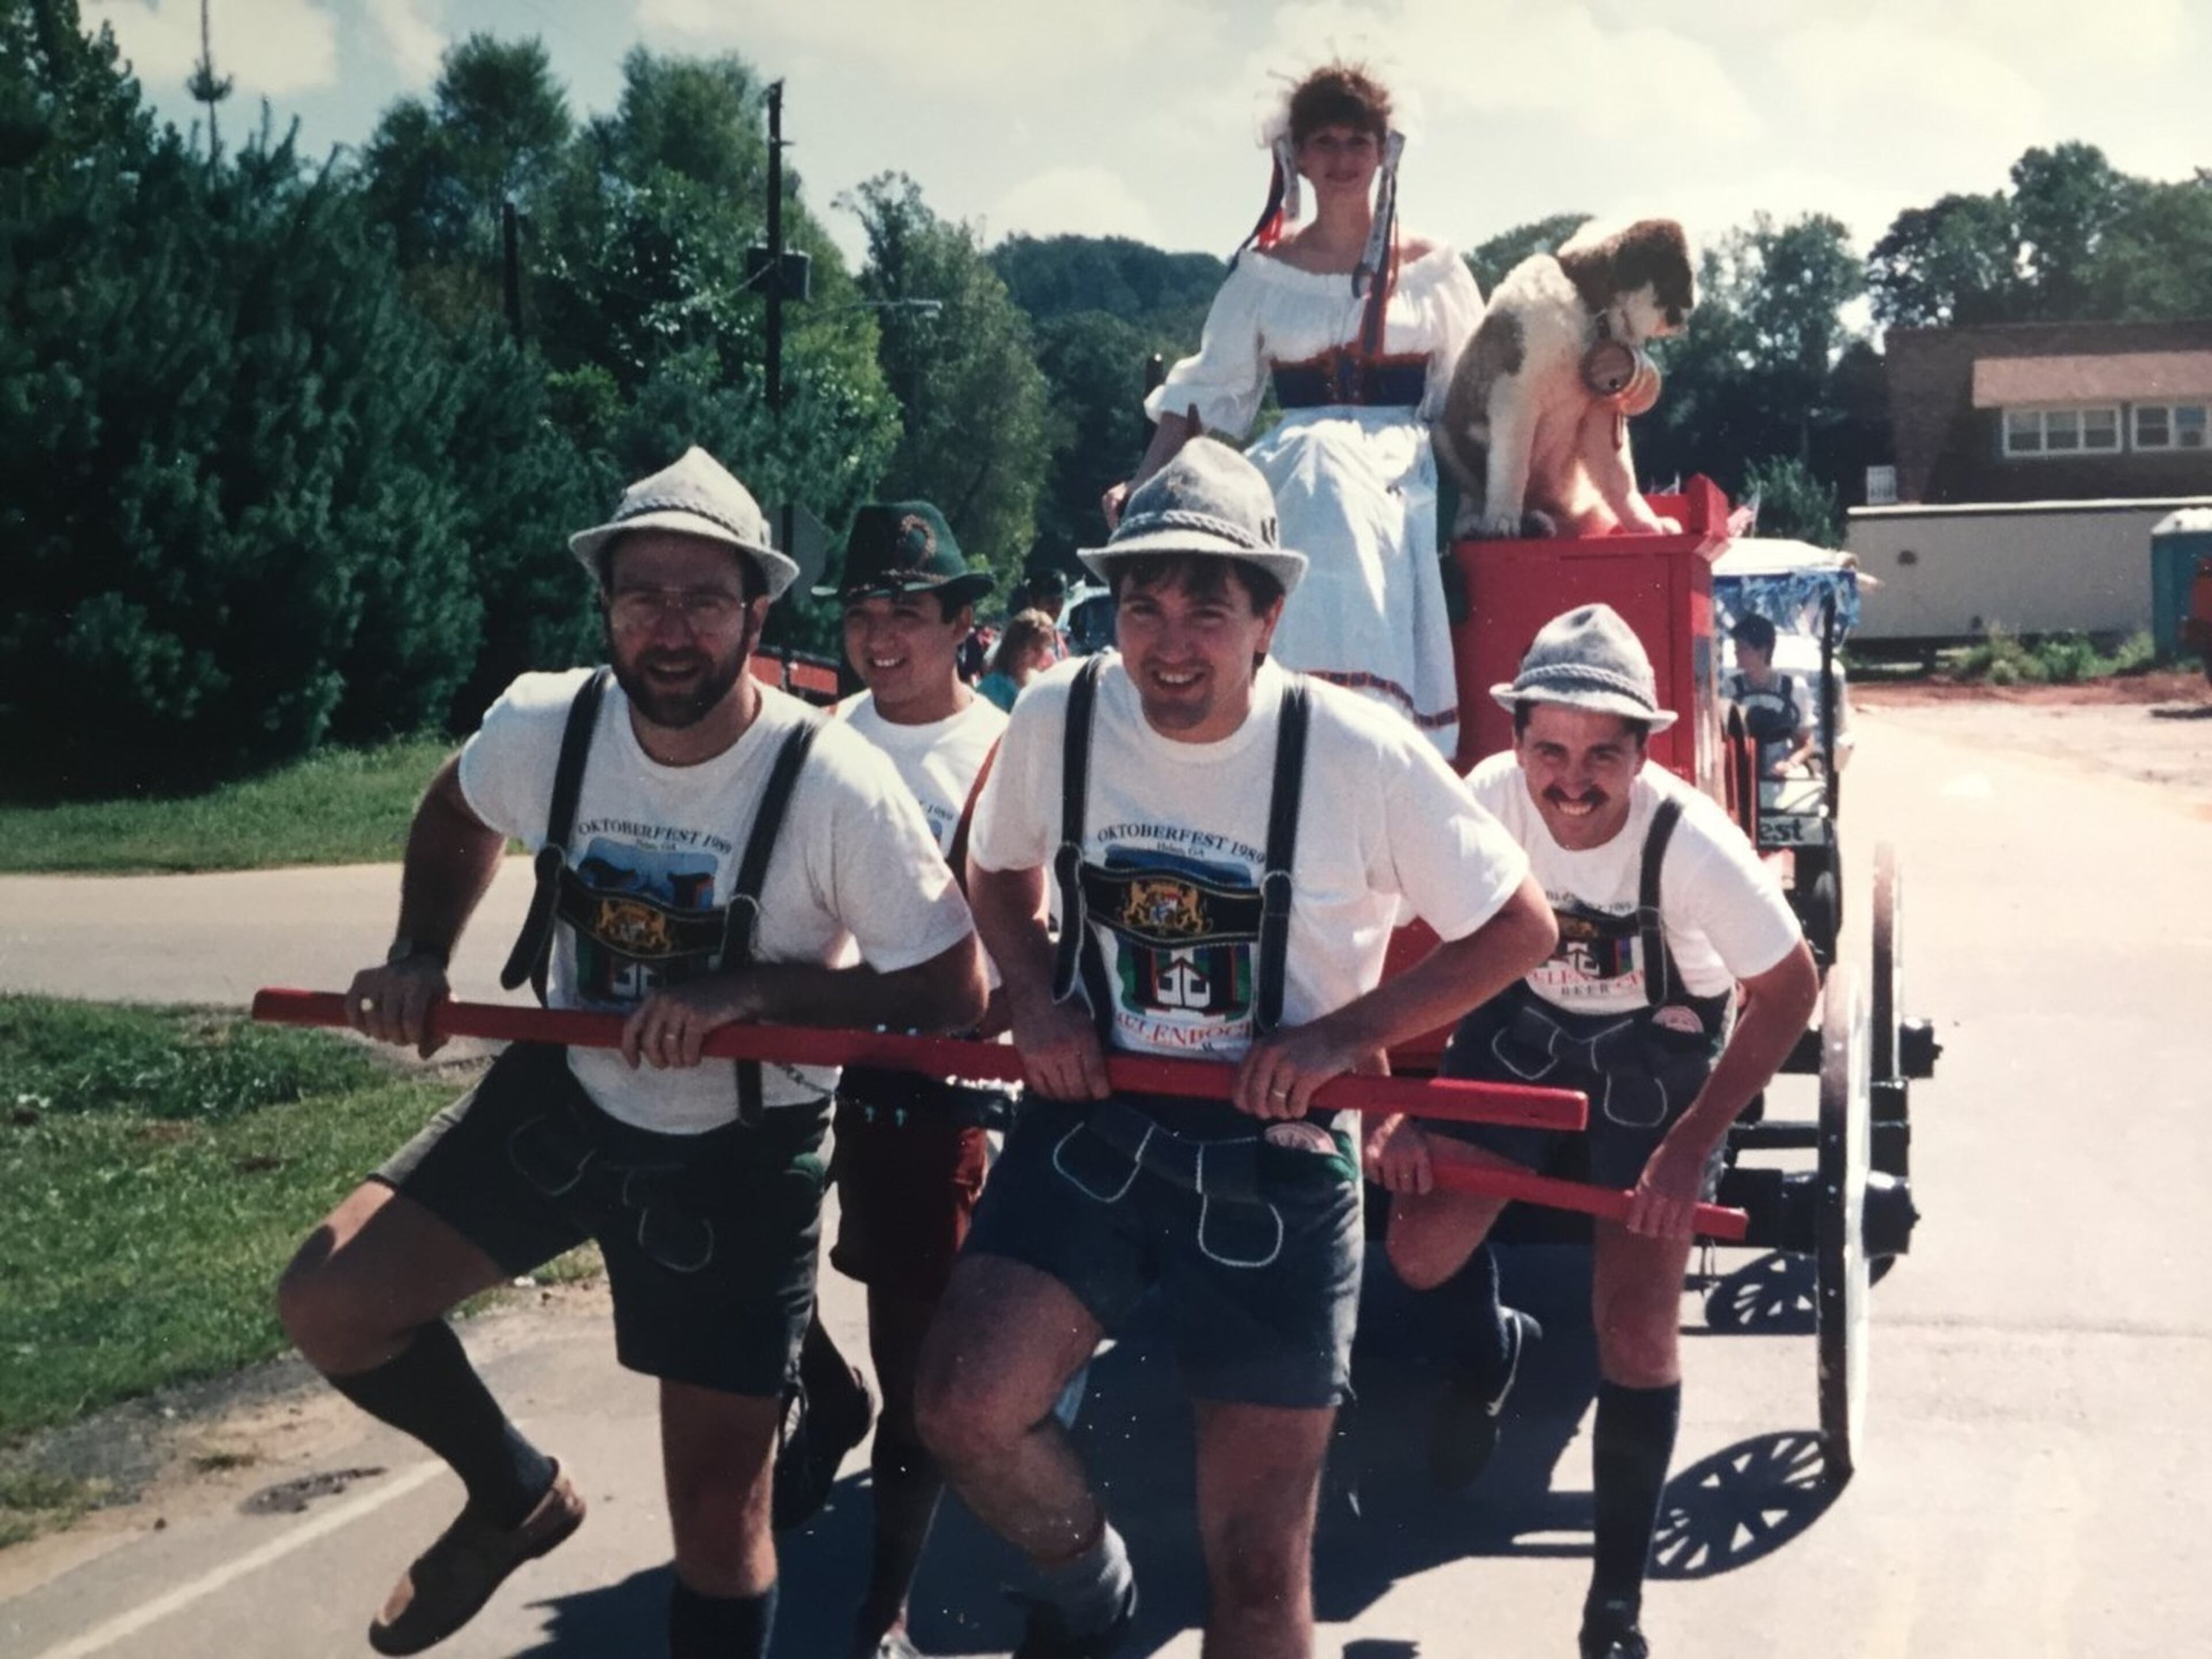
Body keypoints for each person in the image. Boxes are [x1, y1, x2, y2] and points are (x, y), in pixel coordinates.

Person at [275, 448, 988, 1659]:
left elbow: (953, 988)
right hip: (566, 1098)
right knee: (329, 1302)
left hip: (743, 1150)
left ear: (757, 612)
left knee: (718, 1520)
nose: (669, 628)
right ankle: (514, 1496)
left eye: (703, 599)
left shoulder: (834, 783)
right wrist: (415, 953)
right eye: (640, 595)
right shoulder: (548, 725)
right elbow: (457, 809)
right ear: (602, 604)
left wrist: (751, 987)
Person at [916, 438, 1556, 1658]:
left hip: (1279, 1164)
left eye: (1205, 609)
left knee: (1259, 1577)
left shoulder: (1354, 754)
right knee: (962, 1405)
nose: (1166, 644)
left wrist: (1341, 1038)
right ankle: (1092, 1591)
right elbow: (991, 867)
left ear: (1268, 614)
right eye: (1140, 606)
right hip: (1095, 1122)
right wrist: (1041, 994)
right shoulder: (1060, 713)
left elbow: (1519, 926)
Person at [1369, 604, 1820, 1659]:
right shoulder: (1484, 800)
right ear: (1516, 737)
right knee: (1419, 1252)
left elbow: (1792, 990)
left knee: (1637, 1333)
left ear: (1642, 750)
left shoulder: (1689, 840)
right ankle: (1491, 1356)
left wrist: (1692, 1142)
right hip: (1521, 1028)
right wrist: (1387, 1093)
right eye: (1549, 751)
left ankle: (1612, 1601)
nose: (1571, 781)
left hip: (1656, 1056)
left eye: (1601, 756)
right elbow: (1367, 923)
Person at [1104, 60, 1483, 757]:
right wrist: (1143, 486)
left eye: (1356, 141)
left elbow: (1475, 400)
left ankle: (1368, 724)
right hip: (1299, 461)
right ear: (1298, 155)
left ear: (1383, 150)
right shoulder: (1264, 275)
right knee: (1309, 469)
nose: (1341, 159)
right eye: (1325, 142)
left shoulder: (1434, 272)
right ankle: (1287, 711)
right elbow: (1205, 395)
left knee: (1330, 472)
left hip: (1405, 469)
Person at [801, 499, 1009, 1659]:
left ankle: (888, 1602)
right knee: (731, 1265)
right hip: (811, 1053)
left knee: (920, 1353)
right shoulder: (819, 741)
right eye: (864, 612)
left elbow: (1042, 934)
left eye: (911, 614)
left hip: (941, 1082)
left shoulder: (1010, 749)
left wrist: (991, 1030)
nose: (884, 638)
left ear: (962, 625)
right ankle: (819, 1396)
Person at [1722, 612, 1816, 778]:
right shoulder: (1731, 688)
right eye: (1736, 647)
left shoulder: (1794, 688)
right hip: (1741, 770)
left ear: (1762, 652)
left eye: (1743, 648)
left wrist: (1790, 764)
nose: (1737, 653)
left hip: (1781, 772)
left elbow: (1807, 742)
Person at [978, 609, 1060, 711]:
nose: (1042, 654)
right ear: (1017, 647)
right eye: (1036, 648)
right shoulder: (994, 687)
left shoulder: (1037, 679)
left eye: (1045, 647)